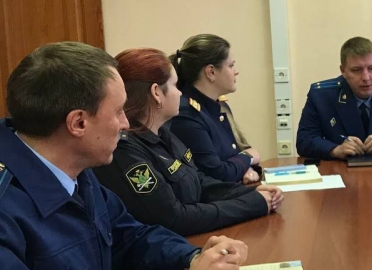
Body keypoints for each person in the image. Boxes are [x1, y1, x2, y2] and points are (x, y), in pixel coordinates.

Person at [0, 42, 247, 270]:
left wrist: (195, 258)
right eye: (117, 112)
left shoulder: (74, 167)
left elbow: (130, 235)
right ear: (78, 123)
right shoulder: (7, 205)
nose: (126, 124)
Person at [93, 48, 283, 237]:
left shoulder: (163, 132)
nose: (180, 94)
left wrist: (251, 193)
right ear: (156, 93)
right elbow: (174, 218)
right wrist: (253, 204)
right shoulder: (125, 150)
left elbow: (199, 182)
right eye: (175, 86)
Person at [169, 34, 262, 184]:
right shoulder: (187, 113)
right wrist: (248, 158)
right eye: (231, 66)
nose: (236, 71)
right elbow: (216, 173)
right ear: (211, 72)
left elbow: (235, 153)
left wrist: (246, 167)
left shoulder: (218, 105)